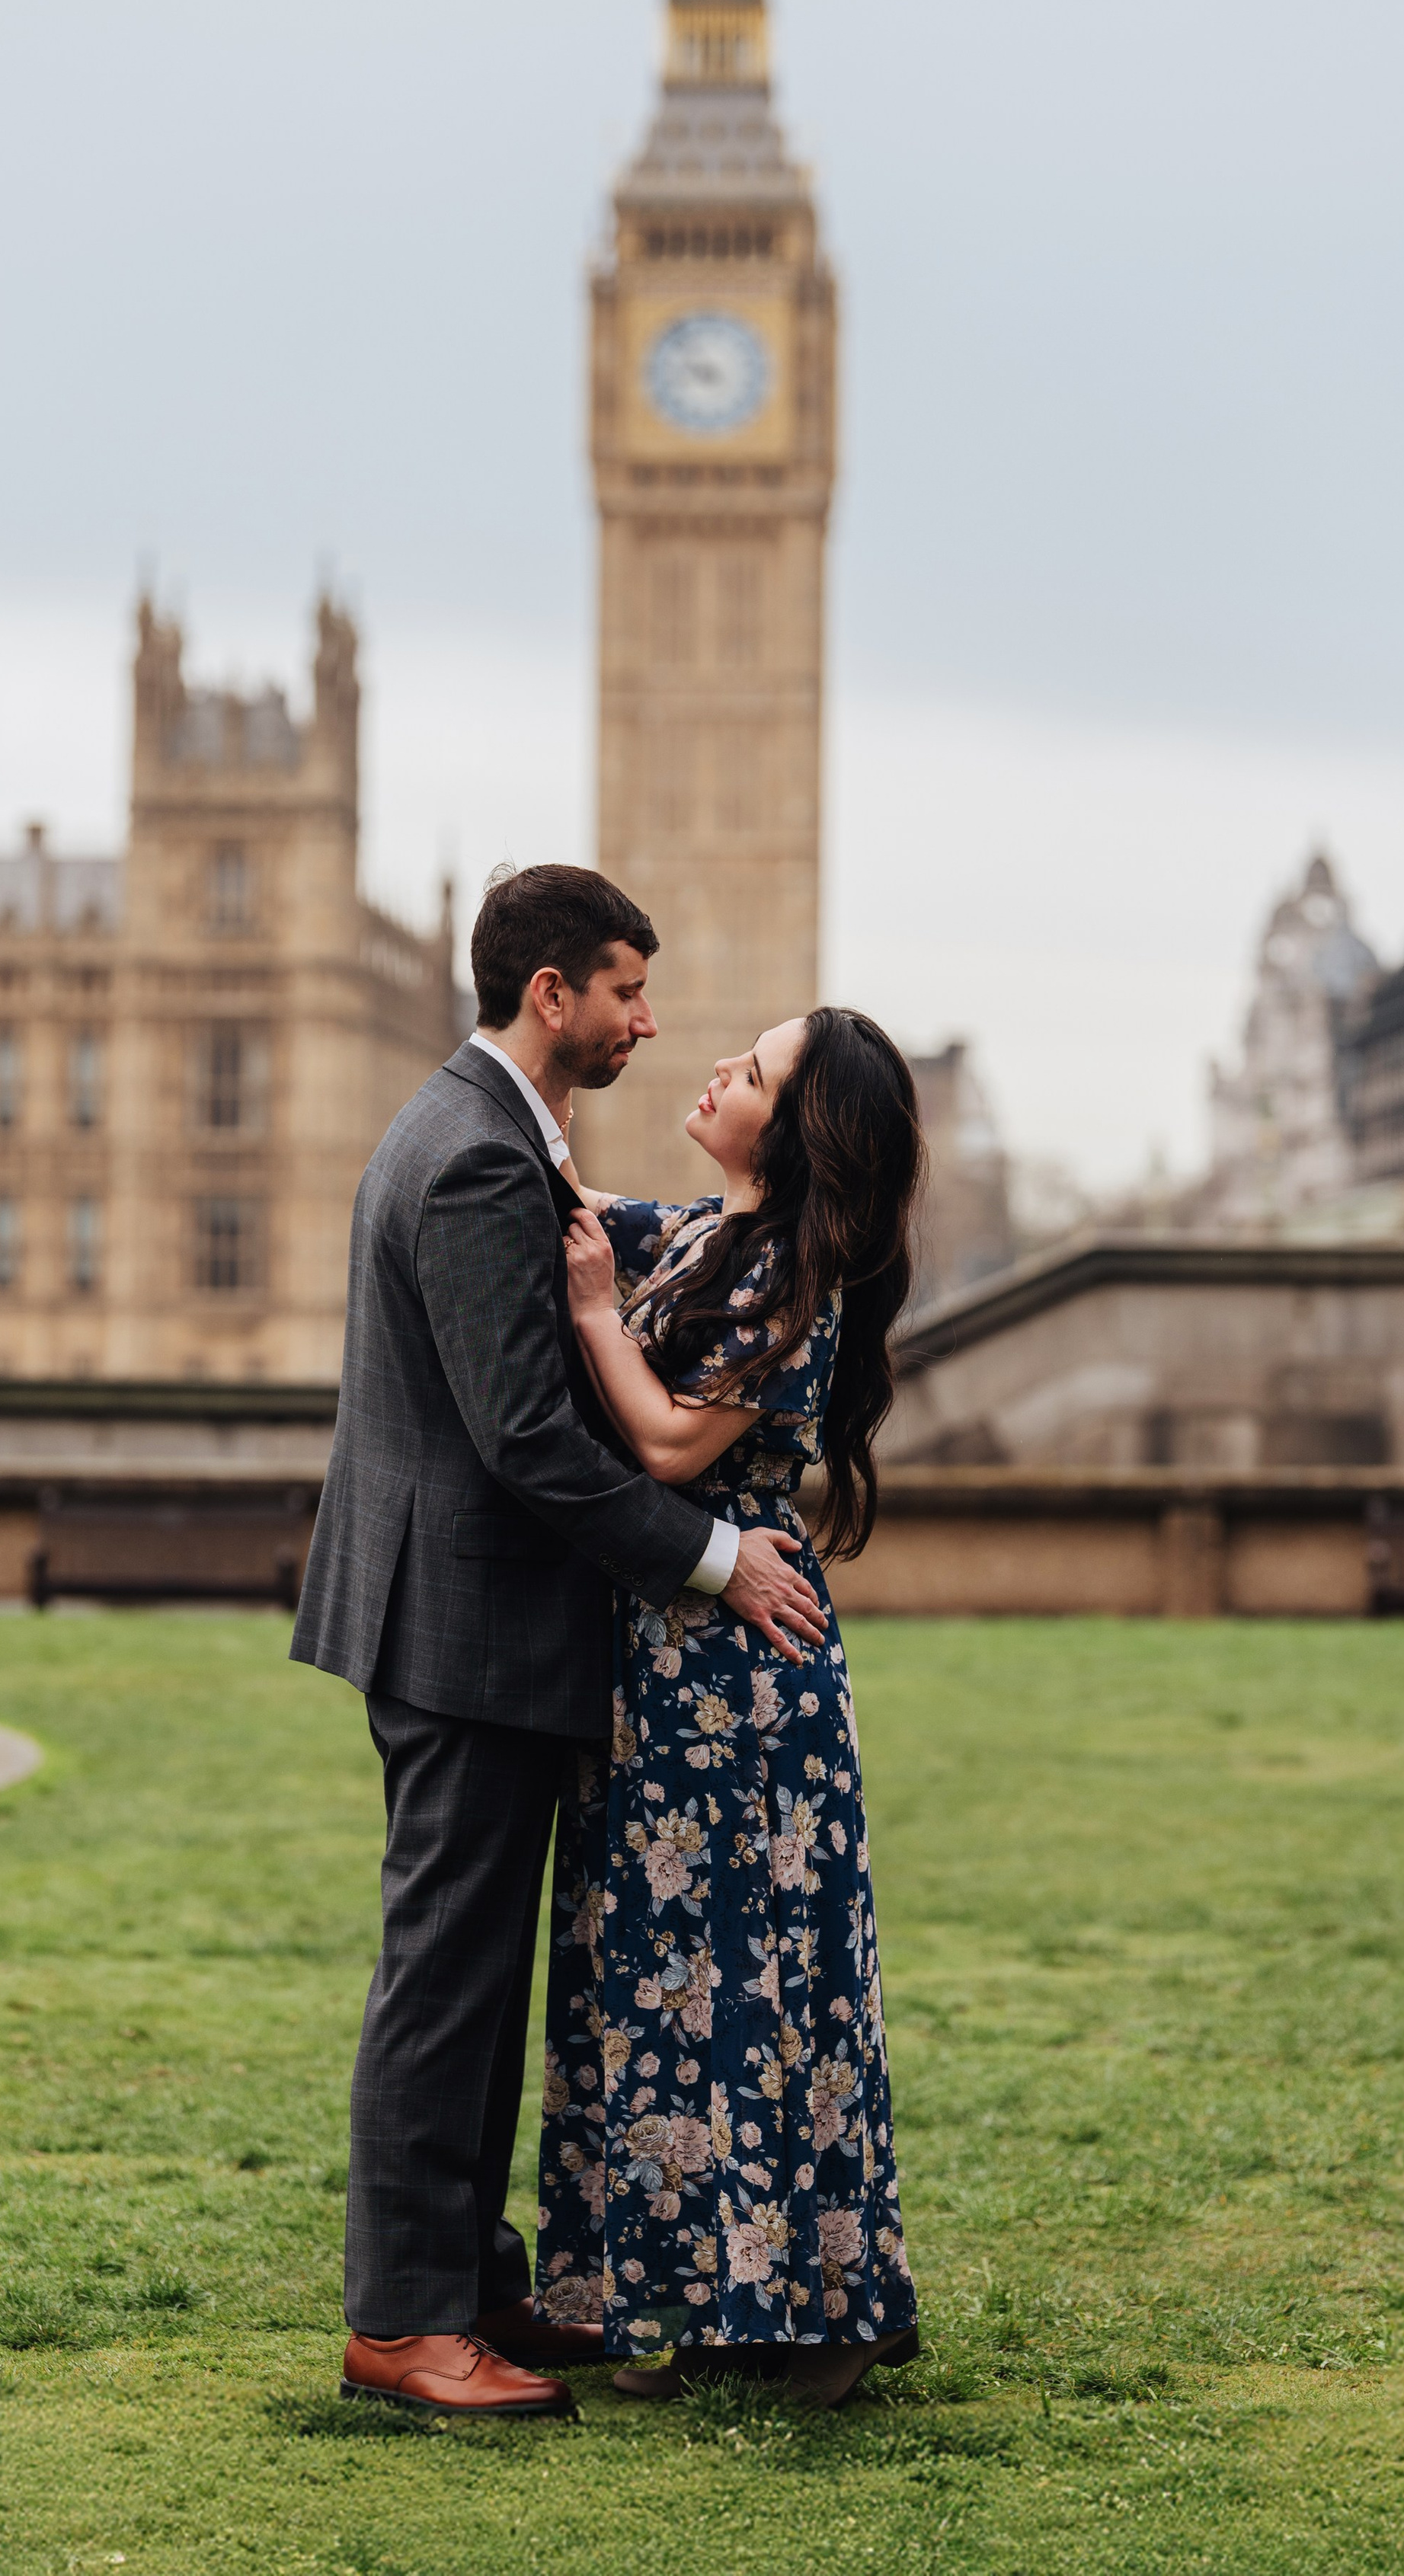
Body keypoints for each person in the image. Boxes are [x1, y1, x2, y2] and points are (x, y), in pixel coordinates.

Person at [291, 864, 828, 2420]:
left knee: (473, 1968)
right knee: (443, 1979)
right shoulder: (470, 1156)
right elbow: (524, 1433)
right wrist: (716, 1557)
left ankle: (466, 2281)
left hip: (474, 1622)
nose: (645, 1025)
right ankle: (404, 2320)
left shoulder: (493, 1136)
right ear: (550, 994)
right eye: (623, 993)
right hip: (459, 1623)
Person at [533, 1005, 925, 2408]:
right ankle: (716, 2303)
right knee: (664, 1970)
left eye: (752, 1073)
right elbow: (570, 1201)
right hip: (668, 1656)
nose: (718, 1070)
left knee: (745, 1969)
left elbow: (665, 1436)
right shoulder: (704, 1232)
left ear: (801, 1128)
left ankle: (795, 2314)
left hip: (740, 1675)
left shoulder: (790, 1274)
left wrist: (590, 1313)